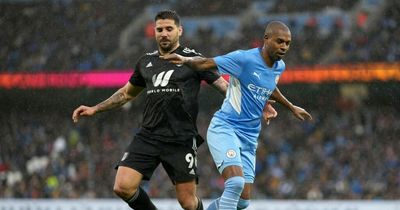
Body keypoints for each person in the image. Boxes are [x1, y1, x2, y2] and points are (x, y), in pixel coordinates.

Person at [71, 10, 277, 210]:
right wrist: (94, 109)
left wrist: (260, 104)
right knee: (122, 186)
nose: (164, 33)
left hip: (181, 139)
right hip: (148, 135)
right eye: (159, 29)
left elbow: (224, 86)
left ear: (180, 31)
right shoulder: (145, 62)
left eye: (169, 28)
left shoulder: (193, 60)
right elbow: (126, 94)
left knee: (188, 202)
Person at [161, 20, 312, 210]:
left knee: (243, 201)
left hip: (250, 136)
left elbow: (269, 86)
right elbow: (207, 63)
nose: (284, 47)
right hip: (226, 128)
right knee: (235, 183)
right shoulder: (244, 59)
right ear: (266, 39)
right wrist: (185, 60)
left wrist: (289, 106)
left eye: (287, 43)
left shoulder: (279, 66)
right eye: (279, 41)